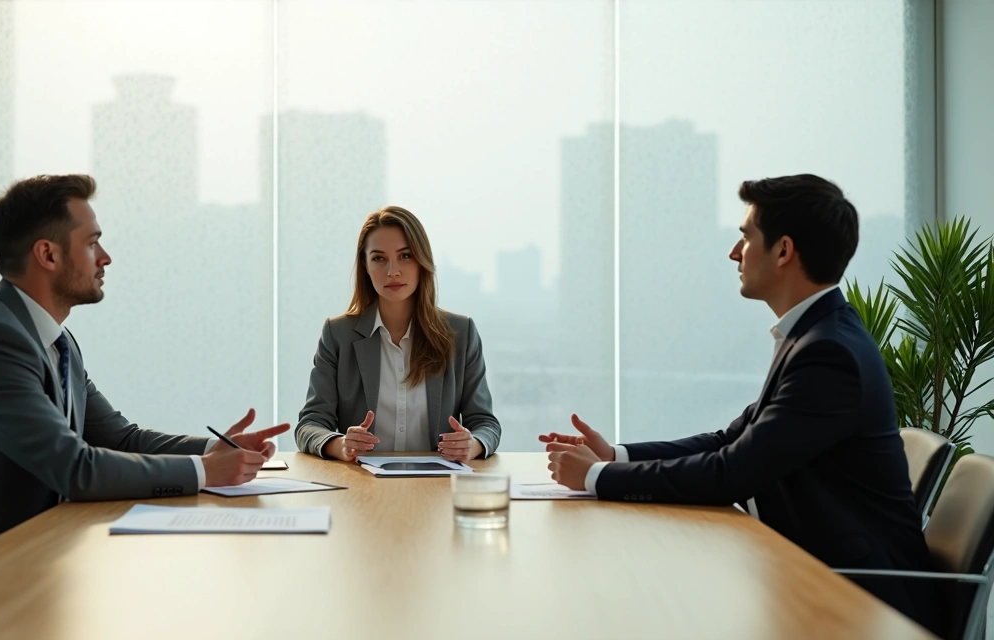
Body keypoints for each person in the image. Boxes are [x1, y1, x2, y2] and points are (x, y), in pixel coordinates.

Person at [543, 174, 936, 630]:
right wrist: (616, 456)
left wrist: (598, 476)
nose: (734, 252)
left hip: (855, 600)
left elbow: (734, 471)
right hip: (808, 573)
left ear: (784, 251)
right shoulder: (815, 337)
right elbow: (730, 439)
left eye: (746, 237)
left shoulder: (829, 353)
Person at [0, 174, 288, 572]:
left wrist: (211, 450)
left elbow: (119, 437)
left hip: (20, 557)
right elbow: (74, 468)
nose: (106, 257)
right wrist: (203, 473)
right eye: (92, 243)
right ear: (48, 254)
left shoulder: (53, 341)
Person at [295, 206, 501, 462]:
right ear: (365, 265)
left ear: (422, 260)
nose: (393, 271)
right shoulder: (338, 334)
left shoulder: (461, 333)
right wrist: (342, 444)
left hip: (437, 487)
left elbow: (485, 423)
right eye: (379, 258)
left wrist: (473, 445)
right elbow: (309, 425)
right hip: (363, 488)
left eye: (405, 256)